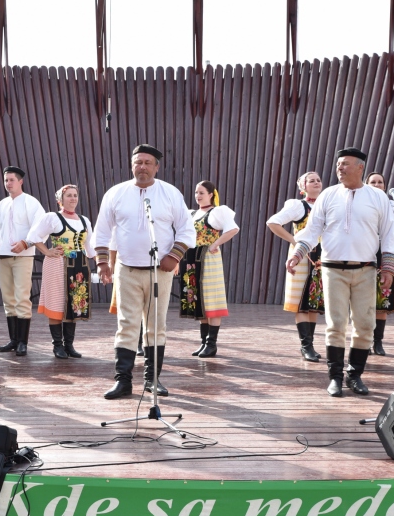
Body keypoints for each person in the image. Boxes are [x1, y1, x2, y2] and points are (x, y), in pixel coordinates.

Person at [287, 148, 394, 397]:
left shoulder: (378, 197)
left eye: (346, 164)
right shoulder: (328, 195)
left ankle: (355, 375)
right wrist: (297, 253)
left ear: (360, 168)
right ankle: (335, 378)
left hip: (366, 270)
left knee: (365, 325)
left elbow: (391, 234)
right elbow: (312, 229)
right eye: (338, 164)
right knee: (336, 323)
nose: (340, 168)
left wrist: (389, 268)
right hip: (332, 269)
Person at [93, 144, 196, 399]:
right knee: (126, 324)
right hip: (126, 270)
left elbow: (186, 229)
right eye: (138, 162)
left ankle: (152, 380)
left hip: (159, 271)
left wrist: (174, 256)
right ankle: (123, 381)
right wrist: (103, 262)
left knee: (155, 325)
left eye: (148, 163)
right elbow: (102, 230)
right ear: (132, 165)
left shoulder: (170, 193)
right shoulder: (116, 193)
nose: (143, 167)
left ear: (157, 167)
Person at [28, 184, 96, 359]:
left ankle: (69, 345)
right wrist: (47, 251)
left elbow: (90, 248)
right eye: (69, 196)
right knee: (57, 303)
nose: (73, 198)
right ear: (60, 200)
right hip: (57, 264)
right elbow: (33, 236)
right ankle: (57, 345)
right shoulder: (52, 218)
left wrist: (101, 262)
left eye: (75, 195)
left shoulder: (84, 220)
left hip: (79, 265)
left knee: (74, 304)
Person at [267, 172, 325, 362]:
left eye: (318, 180)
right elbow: (273, 222)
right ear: (303, 187)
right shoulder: (298, 206)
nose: (316, 182)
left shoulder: (327, 205)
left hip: (322, 258)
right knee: (301, 303)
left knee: (314, 303)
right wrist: (294, 241)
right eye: (311, 180)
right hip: (301, 259)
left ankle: (311, 345)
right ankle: (306, 346)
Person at [180, 181, 239, 358]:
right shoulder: (192, 213)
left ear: (211, 194)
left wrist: (215, 244)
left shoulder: (218, 211)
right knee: (200, 301)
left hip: (208, 259)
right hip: (192, 259)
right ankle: (204, 342)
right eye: (197, 193)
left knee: (211, 299)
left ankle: (211, 344)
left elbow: (233, 229)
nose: (198, 196)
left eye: (202, 193)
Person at [0, 166, 45, 356]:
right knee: (8, 298)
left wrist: (25, 243)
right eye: (6, 180)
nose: (8, 183)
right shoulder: (0, 205)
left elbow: (41, 227)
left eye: (11, 180)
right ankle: (13, 340)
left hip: (23, 256)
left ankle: (23, 342)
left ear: (20, 181)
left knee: (22, 297)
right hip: (3, 255)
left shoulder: (31, 203)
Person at [365, 172, 394, 356]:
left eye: (380, 182)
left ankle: (377, 342)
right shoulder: (360, 203)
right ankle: (364, 340)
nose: (377, 184)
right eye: (373, 182)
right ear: (366, 184)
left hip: (384, 254)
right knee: (363, 300)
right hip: (364, 253)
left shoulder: (391, 205)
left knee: (382, 299)